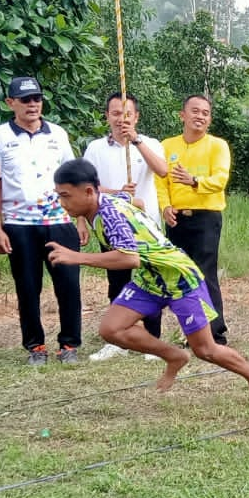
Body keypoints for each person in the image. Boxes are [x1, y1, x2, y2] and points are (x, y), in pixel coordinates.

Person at [47, 159, 249, 403]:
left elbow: (129, 259)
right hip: (150, 278)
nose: (62, 203)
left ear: (89, 192)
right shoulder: (105, 203)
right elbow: (137, 201)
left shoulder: (110, 215)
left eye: (66, 196)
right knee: (111, 329)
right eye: (59, 196)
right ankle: (174, 356)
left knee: (205, 350)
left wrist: (76, 257)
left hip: (178, 277)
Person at [0, 76, 88, 365]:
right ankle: (35, 347)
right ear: (10, 103)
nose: (32, 105)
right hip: (19, 225)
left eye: (37, 99)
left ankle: (69, 345)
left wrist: (79, 219)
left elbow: (74, 178)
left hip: (59, 221)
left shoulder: (57, 134)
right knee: (28, 287)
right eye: (25, 100)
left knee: (68, 284)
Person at [81, 91, 168, 362]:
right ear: (107, 116)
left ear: (137, 116)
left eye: (127, 114)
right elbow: (87, 188)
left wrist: (137, 140)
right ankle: (118, 340)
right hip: (111, 226)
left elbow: (163, 170)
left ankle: (152, 339)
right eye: (116, 113)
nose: (122, 119)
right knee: (117, 282)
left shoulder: (150, 143)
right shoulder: (95, 148)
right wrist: (116, 192)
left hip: (145, 227)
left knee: (151, 281)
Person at [156, 94, 230, 345]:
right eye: (195, 111)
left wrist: (195, 181)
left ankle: (214, 332)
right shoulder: (167, 146)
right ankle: (192, 331)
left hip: (206, 217)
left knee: (204, 273)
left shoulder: (217, 146)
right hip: (177, 219)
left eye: (205, 113)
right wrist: (165, 207)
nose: (200, 116)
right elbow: (160, 180)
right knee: (182, 275)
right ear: (182, 115)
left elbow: (220, 179)